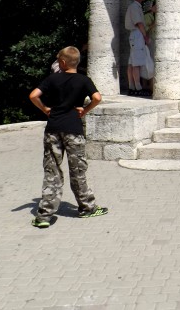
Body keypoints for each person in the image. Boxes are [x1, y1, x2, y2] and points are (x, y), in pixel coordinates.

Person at [29, 46, 107, 228]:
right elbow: (97, 97)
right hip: (74, 129)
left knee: (52, 171)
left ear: (62, 63)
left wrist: (45, 109)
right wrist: (84, 111)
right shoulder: (83, 80)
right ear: (76, 62)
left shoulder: (52, 79)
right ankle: (87, 208)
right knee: (78, 170)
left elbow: (33, 95)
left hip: (53, 129)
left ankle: (44, 216)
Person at [124, 0, 150, 96]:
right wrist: (145, 36)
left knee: (131, 63)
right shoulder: (134, 7)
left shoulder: (137, 7)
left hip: (135, 35)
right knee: (136, 63)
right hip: (137, 34)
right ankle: (138, 87)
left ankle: (132, 86)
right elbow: (139, 23)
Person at [141, 1, 157, 94]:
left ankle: (149, 86)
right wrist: (154, 23)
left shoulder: (153, 15)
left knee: (150, 63)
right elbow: (145, 29)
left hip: (153, 41)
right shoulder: (147, 16)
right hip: (149, 41)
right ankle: (148, 86)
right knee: (150, 63)